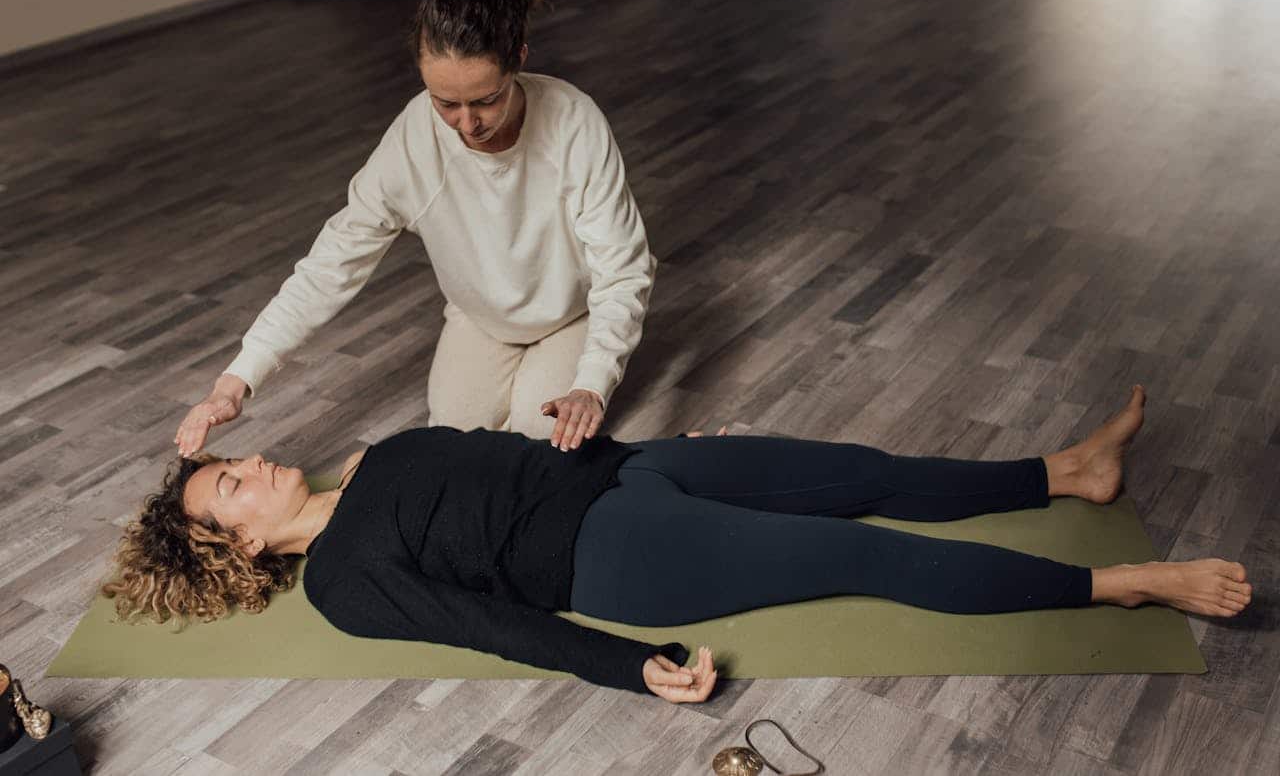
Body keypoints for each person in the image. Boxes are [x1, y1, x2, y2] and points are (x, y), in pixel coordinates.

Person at [113, 386, 1252, 703]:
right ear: (240, 546)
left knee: (858, 472)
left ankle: (1065, 471)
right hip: (616, 556)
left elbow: (516, 454)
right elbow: (494, 626)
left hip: (627, 465)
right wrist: (628, 659)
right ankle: (1118, 584)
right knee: (861, 549)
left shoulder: (372, 455)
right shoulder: (346, 586)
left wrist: (642, 439)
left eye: (239, 458)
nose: (256, 463)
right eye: (233, 482)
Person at [174, 0, 656, 459]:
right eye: (445, 102)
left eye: (486, 100)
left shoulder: (574, 121)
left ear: (518, 57)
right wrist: (238, 378)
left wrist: (592, 381)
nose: (467, 124)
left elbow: (623, 269)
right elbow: (333, 261)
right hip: (480, 319)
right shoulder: (412, 139)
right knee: (450, 441)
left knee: (537, 438)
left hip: (573, 315)